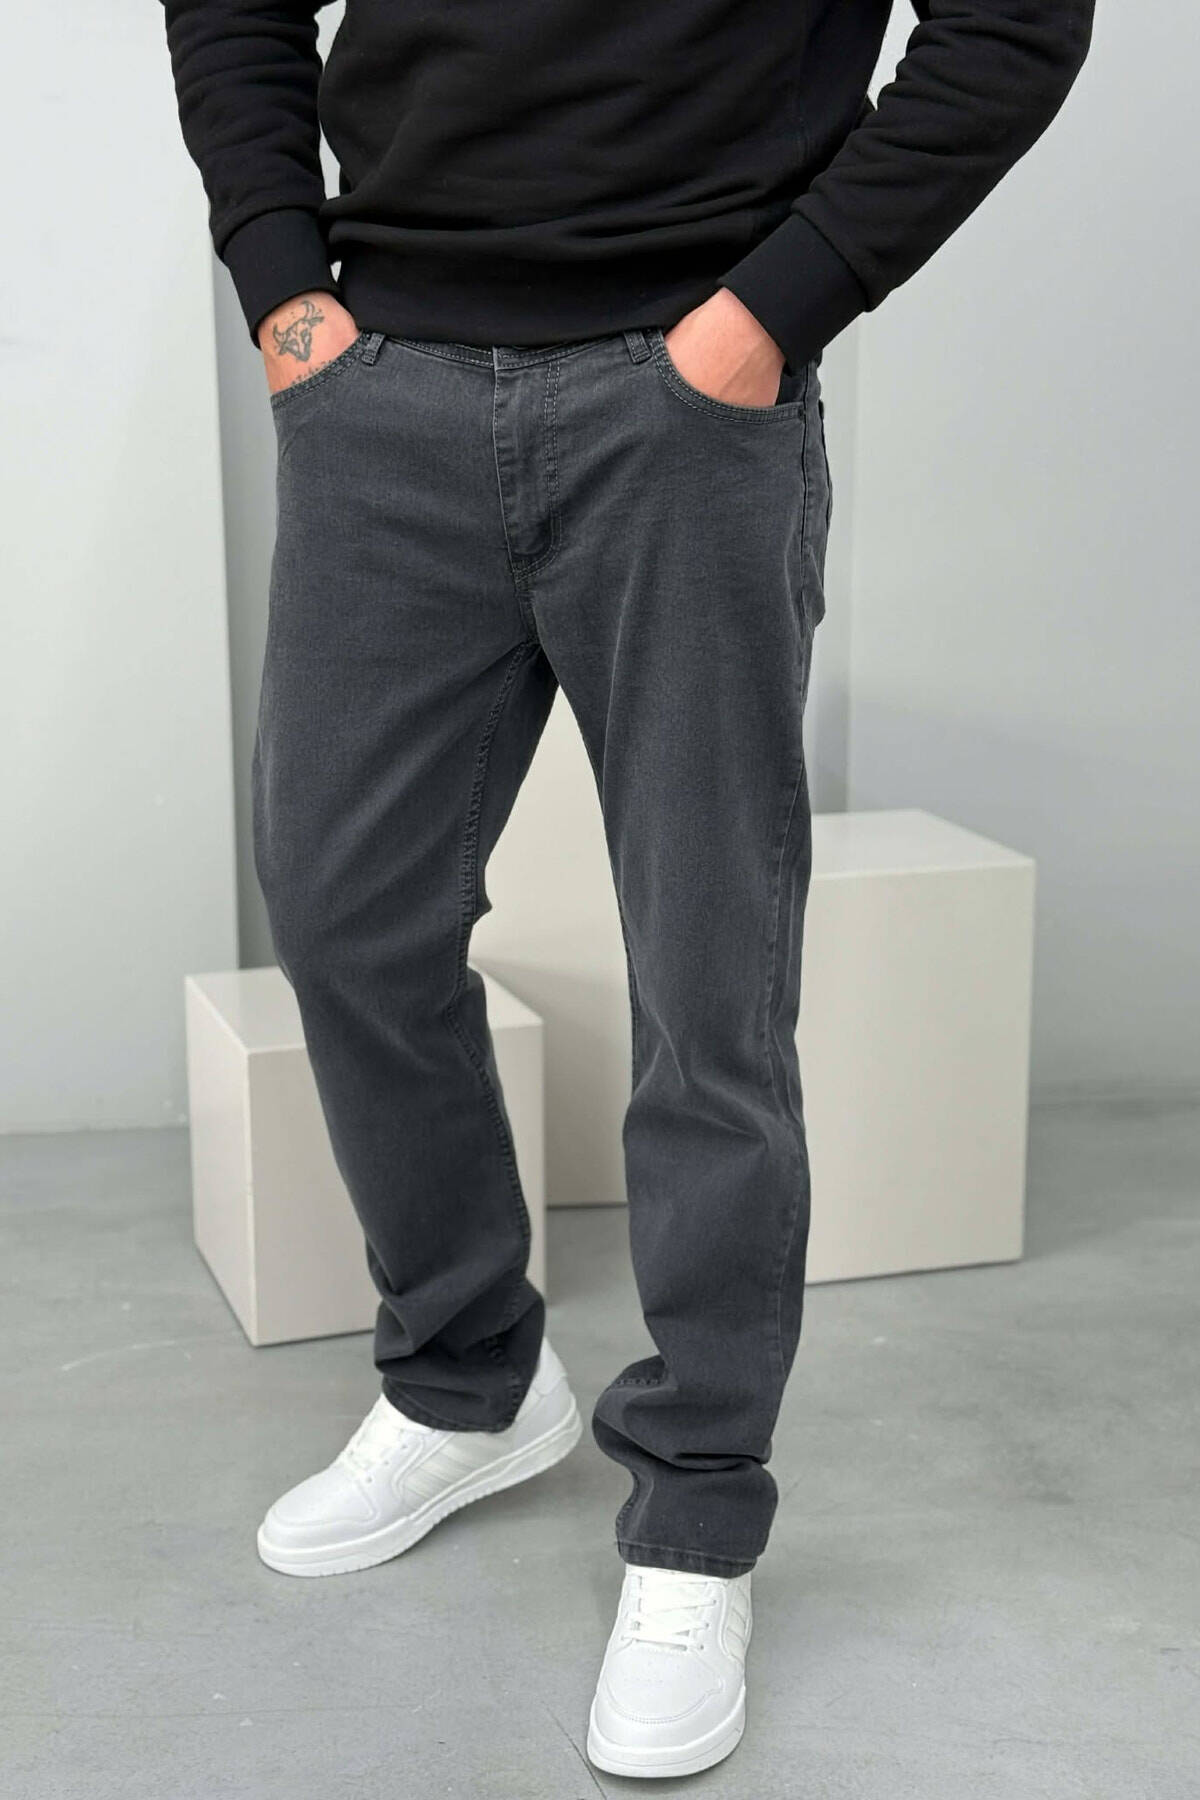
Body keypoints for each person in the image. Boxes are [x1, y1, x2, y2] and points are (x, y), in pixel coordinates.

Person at [159, 0, 1092, 1777]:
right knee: (345, 913)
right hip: (381, 379)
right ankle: (470, 1382)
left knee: (706, 974)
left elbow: (1015, 24)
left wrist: (770, 313)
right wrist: (284, 286)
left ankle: (697, 1512)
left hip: (687, 388)